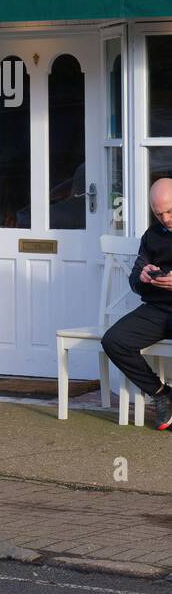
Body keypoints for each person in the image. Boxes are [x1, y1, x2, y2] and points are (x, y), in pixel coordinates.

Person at [102, 178, 172, 430]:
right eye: (159, 213)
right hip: (156, 310)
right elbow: (134, 280)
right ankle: (162, 393)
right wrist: (143, 278)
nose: (165, 219)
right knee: (114, 340)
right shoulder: (152, 235)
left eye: (170, 211)